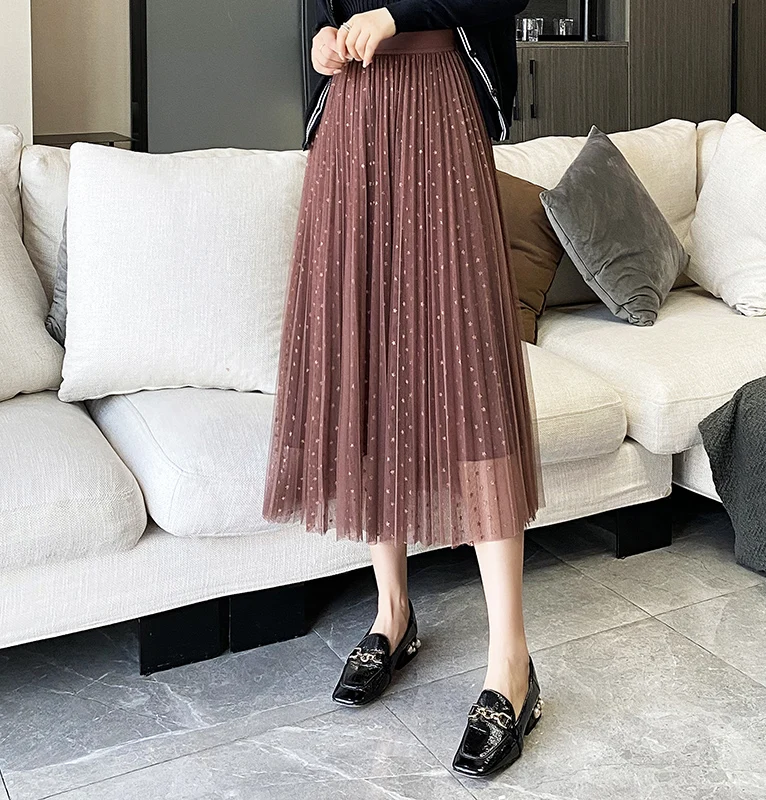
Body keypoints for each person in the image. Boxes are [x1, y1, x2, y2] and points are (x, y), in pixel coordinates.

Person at [262, 0, 546, 776]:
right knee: (368, 365)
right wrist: (323, 40)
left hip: (439, 104)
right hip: (352, 114)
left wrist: (395, 14)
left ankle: (512, 664)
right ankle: (392, 613)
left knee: (468, 370)